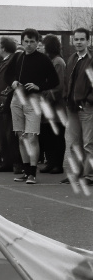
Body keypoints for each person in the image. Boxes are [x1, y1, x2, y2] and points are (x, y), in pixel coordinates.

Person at [6, 28, 59, 184]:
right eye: (26, 41)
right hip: (17, 99)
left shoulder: (43, 59)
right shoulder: (17, 57)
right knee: (21, 136)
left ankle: (32, 173)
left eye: (32, 42)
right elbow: (7, 75)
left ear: (37, 42)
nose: (29, 45)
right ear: (22, 42)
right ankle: (26, 170)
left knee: (32, 136)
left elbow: (55, 80)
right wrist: (13, 82)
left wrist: (39, 86)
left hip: (33, 100)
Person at [60, 28, 93, 186]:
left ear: (88, 41)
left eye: (82, 39)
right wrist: (66, 97)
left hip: (87, 107)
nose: (78, 42)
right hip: (72, 106)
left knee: (89, 142)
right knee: (74, 142)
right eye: (76, 39)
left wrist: (88, 100)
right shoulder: (71, 58)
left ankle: (89, 175)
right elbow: (66, 81)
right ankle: (76, 173)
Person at [0, 37, 23, 173]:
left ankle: (12, 162)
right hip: (2, 103)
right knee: (4, 134)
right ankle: (7, 161)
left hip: (7, 103)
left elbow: (8, 82)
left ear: (3, 48)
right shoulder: (4, 62)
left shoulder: (11, 61)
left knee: (9, 134)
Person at [39, 34, 66, 174]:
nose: (41, 47)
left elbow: (58, 87)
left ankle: (57, 164)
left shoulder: (58, 62)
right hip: (46, 108)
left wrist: (44, 100)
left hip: (56, 109)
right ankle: (50, 162)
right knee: (47, 136)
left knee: (56, 137)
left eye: (43, 44)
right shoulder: (48, 61)